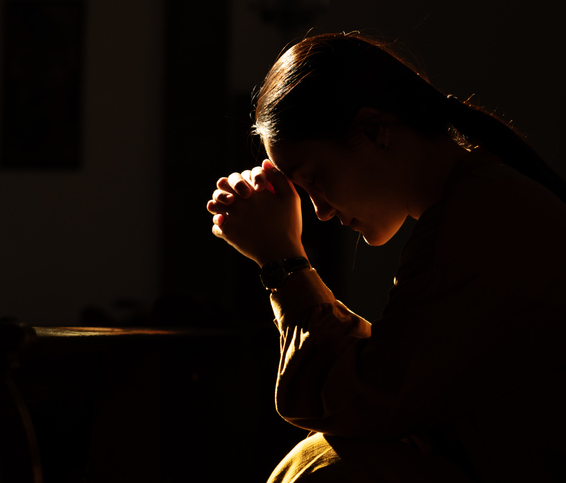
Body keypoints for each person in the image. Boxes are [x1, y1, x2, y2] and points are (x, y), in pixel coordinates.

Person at [206, 32, 566, 482]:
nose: (320, 211)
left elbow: (361, 401)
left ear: (377, 133)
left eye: (315, 178)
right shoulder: (477, 203)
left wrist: (283, 262)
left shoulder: (479, 223)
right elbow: (391, 377)